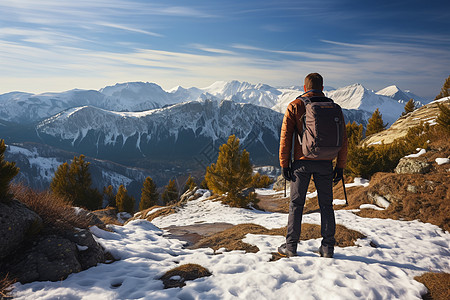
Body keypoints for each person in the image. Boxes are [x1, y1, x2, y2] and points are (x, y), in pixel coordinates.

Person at [277, 73, 348, 258]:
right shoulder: (334, 108)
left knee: (296, 205)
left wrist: (284, 164)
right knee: (326, 205)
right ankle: (327, 248)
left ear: (304, 88)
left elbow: (285, 138)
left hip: (301, 164)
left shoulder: (295, 105)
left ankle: (291, 246)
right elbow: (343, 140)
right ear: (322, 88)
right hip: (325, 162)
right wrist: (340, 167)